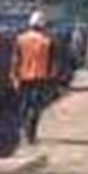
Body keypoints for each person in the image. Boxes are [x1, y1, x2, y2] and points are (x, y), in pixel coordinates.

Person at [10, 10, 54, 144]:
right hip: (41, 77)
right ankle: (31, 133)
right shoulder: (47, 41)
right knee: (36, 107)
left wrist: (13, 75)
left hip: (23, 76)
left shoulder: (20, 39)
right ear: (43, 25)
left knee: (24, 105)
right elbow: (52, 63)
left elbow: (16, 59)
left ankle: (23, 130)